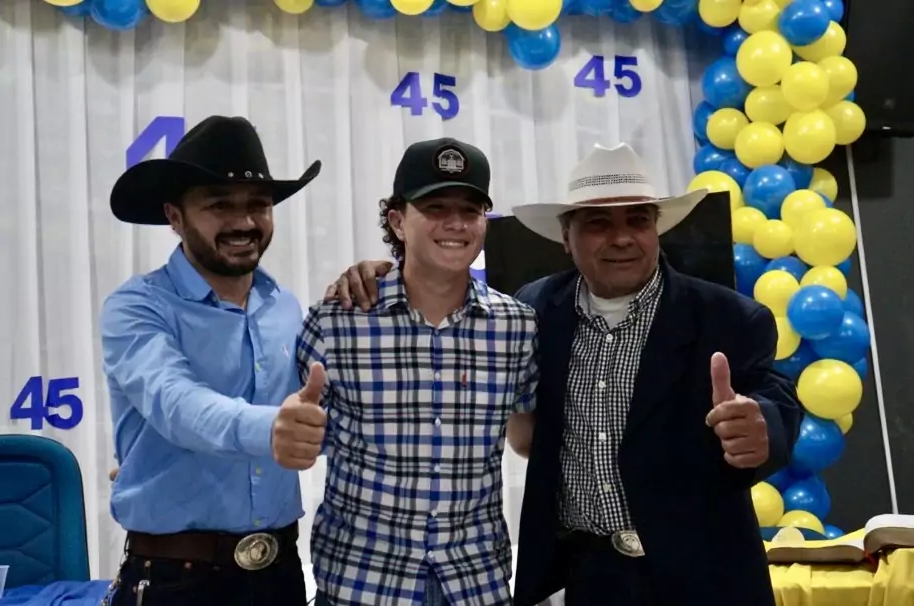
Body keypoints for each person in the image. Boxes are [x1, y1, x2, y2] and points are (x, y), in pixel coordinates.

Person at [324, 143, 803, 606]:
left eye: (638, 219)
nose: (621, 238)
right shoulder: (532, 311)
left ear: (657, 230)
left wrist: (762, 427)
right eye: (598, 223)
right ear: (566, 239)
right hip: (584, 578)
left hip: (702, 579)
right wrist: (377, 275)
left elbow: (774, 397)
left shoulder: (729, 318)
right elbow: (446, 316)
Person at [296, 138, 539, 606]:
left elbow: (526, 436)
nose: (455, 223)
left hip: (475, 584)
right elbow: (291, 435)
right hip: (360, 584)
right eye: (435, 206)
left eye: (470, 210)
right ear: (397, 221)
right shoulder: (335, 321)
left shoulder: (517, 326)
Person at [100, 115, 327, 606]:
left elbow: (321, 416)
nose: (244, 222)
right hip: (173, 582)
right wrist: (272, 430)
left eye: (259, 205)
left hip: (281, 574)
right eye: (219, 205)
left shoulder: (285, 306)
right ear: (175, 217)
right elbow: (176, 403)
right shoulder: (137, 306)